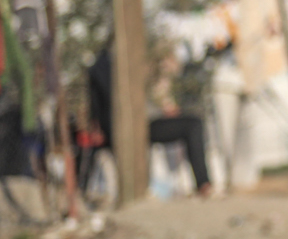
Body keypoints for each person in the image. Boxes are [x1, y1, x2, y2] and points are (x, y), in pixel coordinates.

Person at [87, 44, 213, 196]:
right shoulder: (104, 65)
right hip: (126, 128)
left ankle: (204, 185)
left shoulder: (143, 64)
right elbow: (100, 105)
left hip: (149, 122)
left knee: (193, 124)